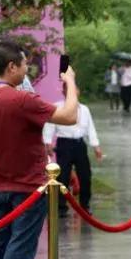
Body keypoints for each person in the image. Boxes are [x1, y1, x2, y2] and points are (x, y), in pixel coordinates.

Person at [0, 40, 79, 259]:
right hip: (27, 184)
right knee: (21, 241)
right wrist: (70, 84)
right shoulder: (21, 99)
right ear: (11, 67)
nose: (26, 70)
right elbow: (69, 116)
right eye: (24, 64)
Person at [43, 81, 102, 215]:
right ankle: (61, 206)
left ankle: (84, 205)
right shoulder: (58, 107)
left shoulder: (84, 109)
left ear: (78, 91)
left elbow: (90, 129)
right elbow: (49, 125)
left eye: (74, 89)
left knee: (85, 175)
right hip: (64, 144)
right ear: (64, 92)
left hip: (80, 144)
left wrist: (96, 146)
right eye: (68, 90)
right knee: (62, 176)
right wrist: (48, 142)